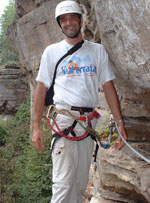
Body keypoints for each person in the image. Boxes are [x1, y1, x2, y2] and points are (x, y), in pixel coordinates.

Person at [32, 1, 127, 203]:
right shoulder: (52, 52)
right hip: (64, 121)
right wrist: (36, 128)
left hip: (87, 124)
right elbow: (41, 90)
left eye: (72, 17)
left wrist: (119, 123)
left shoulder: (97, 51)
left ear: (81, 20)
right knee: (63, 185)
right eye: (64, 20)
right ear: (60, 24)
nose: (68, 23)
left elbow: (108, 87)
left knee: (80, 185)